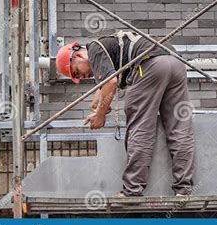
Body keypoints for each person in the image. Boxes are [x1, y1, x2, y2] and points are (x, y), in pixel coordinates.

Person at [56, 31, 195, 196]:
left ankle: (132, 190)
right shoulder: (109, 48)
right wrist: (99, 107)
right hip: (175, 62)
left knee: (141, 129)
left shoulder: (94, 48)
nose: (83, 76)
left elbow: (111, 83)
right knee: (179, 129)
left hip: (148, 64)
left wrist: (100, 116)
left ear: (77, 55)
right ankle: (183, 189)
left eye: (77, 72)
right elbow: (104, 90)